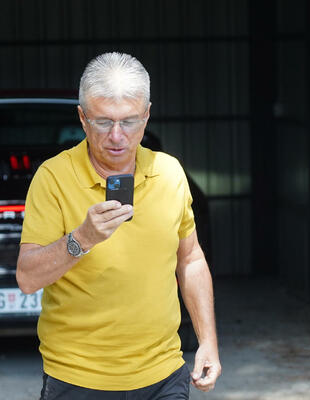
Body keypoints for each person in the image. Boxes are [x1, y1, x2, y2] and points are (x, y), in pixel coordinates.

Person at [16, 52, 221, 399]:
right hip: (79, 378)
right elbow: (27, 278)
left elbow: (190, 260)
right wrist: (81, 239)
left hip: (164, 374)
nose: (116, 136)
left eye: (129, 121)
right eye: (103, 122)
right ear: (82, 118)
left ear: (147, 115)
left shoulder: (169, 173)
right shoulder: (53, 177)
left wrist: (208, 342)